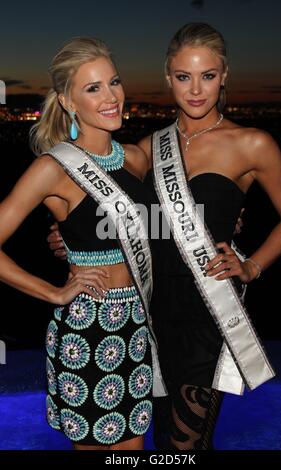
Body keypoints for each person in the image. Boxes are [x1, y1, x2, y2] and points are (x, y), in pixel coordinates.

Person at [48, 24, 281, 451]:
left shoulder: (252, 143)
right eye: (184, 77)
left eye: (208, 76)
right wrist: (67, 238)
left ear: (225, 76)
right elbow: (118, 214)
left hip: (206, 312)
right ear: (168, 77)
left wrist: (253, 264)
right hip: (146, 311)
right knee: (154, 439)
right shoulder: (147, 149)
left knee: (188, 444)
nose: (196, 90)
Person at [0, 37, 167, 450]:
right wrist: (53, 293)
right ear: (68, 101)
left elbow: (156, 227)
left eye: (114, 82)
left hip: (138, 327)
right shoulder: (53, 167)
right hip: (87, 332)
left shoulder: (135, 157)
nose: (111, 97)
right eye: (93, 88)